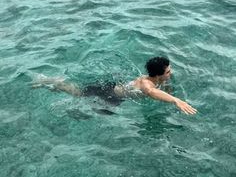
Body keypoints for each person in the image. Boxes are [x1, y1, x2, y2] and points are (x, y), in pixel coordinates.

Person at [32, 56, 197, 115]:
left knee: (82, 97)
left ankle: (54, 83)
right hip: (110, 94)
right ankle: (50, 81)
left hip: (113, 88)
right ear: (158, 74)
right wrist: (176, 100)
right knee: (77, 94)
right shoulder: (147, 84)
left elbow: (159, 89)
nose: (171, 72)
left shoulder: (155, 78)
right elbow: (150, 92)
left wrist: (169, 90)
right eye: (168, 71)